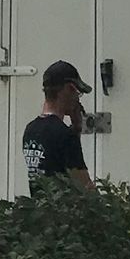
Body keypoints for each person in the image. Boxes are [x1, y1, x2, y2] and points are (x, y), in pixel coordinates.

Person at [21, 59, 95, 193]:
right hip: (63, 212)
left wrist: (76, 128)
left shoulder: (30, 130)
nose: (78, 99)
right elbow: (84, 186)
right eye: (77, 93)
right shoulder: (65, 135)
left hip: (38, 210)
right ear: (69, 89)